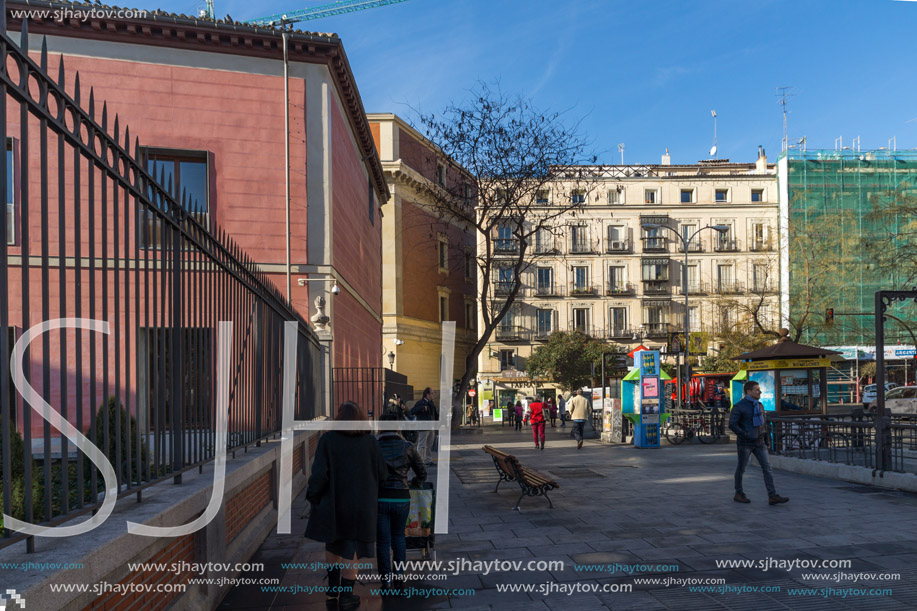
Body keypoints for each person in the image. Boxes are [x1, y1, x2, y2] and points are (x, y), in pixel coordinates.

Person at [305, 402, 387, 610]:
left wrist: (313, 496)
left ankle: (333, 589)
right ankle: (347, 594)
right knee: (352, 548)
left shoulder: (328, 441)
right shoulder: (370, 442)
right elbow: (382, 473)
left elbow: (319, 474)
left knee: (333, 544)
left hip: (333, 504)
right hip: (361, 506)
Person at [375, 411, 426, 591]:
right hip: (401, 497)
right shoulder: (408, 446)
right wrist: (415, 482)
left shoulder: (373, 446)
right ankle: (399, 575)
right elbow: (422, 472)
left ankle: (385, 580)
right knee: (398, 536)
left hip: (379, 498)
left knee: (382, 541)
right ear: (398, 427)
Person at [728, 381, 789, 506]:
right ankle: (739, 493)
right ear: (749, 392)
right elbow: (732, 424)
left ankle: (772, 496)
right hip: (745, 443)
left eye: (759, 390)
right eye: (757, 390)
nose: (760, 392)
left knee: (767, 468)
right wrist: (744, 434)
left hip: (759, 442)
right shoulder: (740, 406)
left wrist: (766, 440)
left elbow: (763, 424)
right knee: (741, 468)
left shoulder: (759, 405)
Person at [410, 387, 437, 465]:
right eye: (432, 393)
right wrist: (422, 408)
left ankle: (428, 460)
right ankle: (420, 461)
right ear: (427, 395)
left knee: (429, 444)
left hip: (431, 426)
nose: (433, 395)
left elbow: (434, 414)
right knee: (422, 444)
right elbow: (412, 411)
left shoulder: (431, 403)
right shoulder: (421, 403)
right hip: (424, 427)